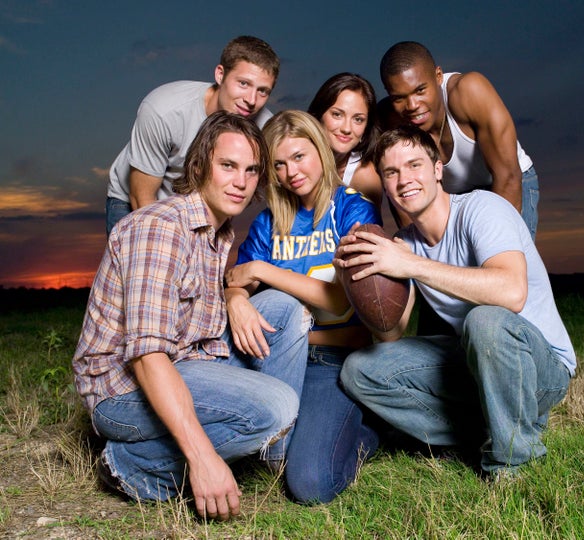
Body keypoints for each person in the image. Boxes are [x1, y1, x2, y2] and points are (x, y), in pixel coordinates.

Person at [73, 111, 302, 520]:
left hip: (187, 363)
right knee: (277, 405)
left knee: (284, 309)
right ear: (199, 167)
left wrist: (235, 296)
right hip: (122, 393)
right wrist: (201, 457)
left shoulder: (220, 232)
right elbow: (146, 358)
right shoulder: (162, 228)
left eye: (251, 170)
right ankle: (132, 465)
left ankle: (270, 456)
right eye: (228, 166)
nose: (241, 181)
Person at [336, 126, 575, 478]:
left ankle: (513, 462)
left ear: (437, 169)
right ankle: (484, 432)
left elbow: (511, 292)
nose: (404, 180)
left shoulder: (482, 208)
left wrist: (413, 265)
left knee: (486, 320)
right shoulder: (404, 243)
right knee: (360, 370)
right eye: (392, 172)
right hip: (475, 362)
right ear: (385, 183)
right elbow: (389, 334)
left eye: (414, 165)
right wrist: (358, 275)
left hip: (541, 369)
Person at [224, 110, 381, 504]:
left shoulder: (353, 209)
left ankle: (371, 431)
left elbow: (341, 297)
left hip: (330, 360)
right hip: (274, 360)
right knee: (253, 458)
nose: (290, 171)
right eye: (278, 164)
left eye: (299, 156)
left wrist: (262, 270)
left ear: (320, 150)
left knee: (310, 483)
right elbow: (236, 281)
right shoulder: (267, 222)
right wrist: (236, 300)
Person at [105, 35, 280, 235]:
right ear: (220, 74)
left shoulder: (264, 127)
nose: (251, 99)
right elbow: (141, 197)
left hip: (199, 207)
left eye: (263, 91)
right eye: (243, 83)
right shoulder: (164, 111)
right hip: (136, 201)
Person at [378, 41, 539, 240]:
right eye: (399, 98)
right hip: (455, 196)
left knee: (503, 262)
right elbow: (398, 192)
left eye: (420, 91)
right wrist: (417, 249)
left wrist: (495, 247)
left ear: (438, 76)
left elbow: (508, 176)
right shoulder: (389, 118)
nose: (412, 105)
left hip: (507, 181)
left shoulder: (468, 92)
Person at [308, 72, 383, 208]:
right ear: (319, 115)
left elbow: (369, 227)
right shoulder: (295, 157)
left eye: (358, 119)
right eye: (337, 114)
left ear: (366, 127)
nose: (347, 128)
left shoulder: (365, 177)